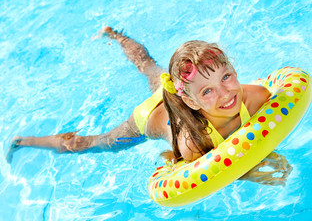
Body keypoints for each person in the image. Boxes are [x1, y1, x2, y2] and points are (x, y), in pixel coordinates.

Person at [6, 26, 292, 186]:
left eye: (227, 76)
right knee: (95, 142)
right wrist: (256, 172)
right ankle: (27, 140)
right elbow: (208, 168)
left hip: (172, 92)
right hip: (150, 118)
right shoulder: (192, 142)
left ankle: (114, 33)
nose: (226, 93)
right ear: (190, 100)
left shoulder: (254, 96)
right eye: (208, 90)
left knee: (149, 66)